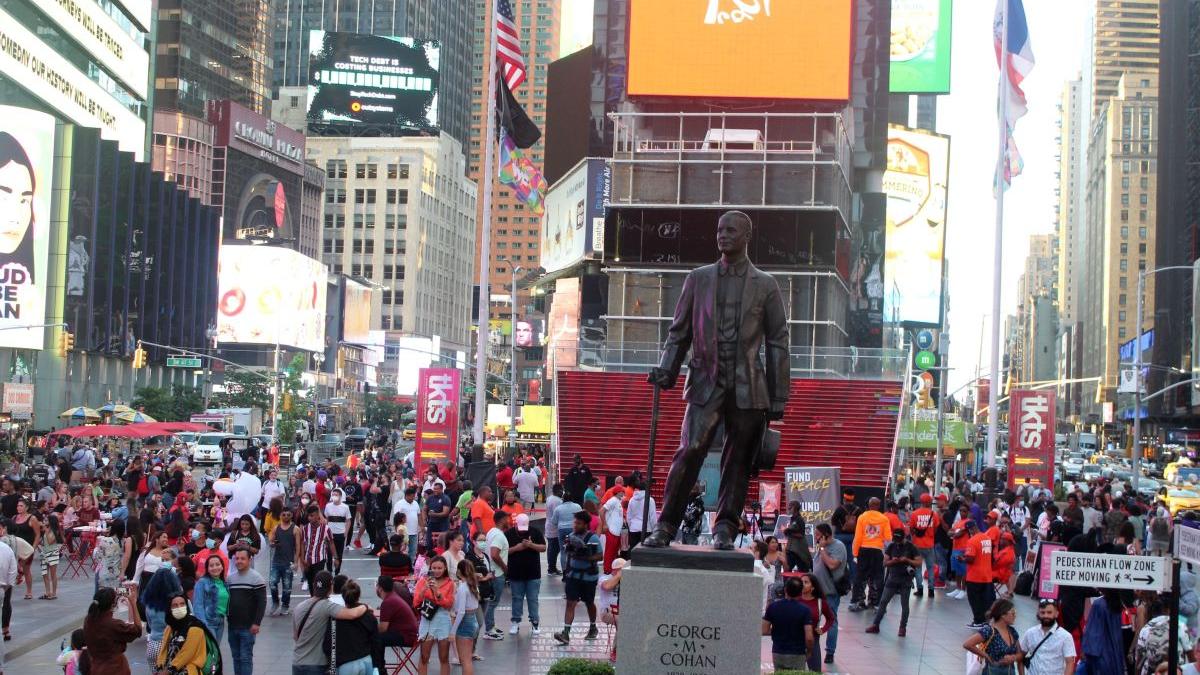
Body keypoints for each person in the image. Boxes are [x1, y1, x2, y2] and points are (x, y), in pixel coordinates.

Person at [642, 212, 790, 551]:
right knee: (690, 449)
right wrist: (668, 369)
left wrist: (779, 394)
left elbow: (778, 340)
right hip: (705, 380)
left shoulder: (766, 285)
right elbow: (679, 331)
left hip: (749, 385)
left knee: (738, 459)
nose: (723, 235)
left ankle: (725, 526)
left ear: (747, 236)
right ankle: (666, 524)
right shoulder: (699, 278)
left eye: (731, 230)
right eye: (720, 230)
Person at [291, 571, 371, 675]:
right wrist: (365, 607)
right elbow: (352, 614)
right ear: (331, 586)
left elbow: (295, 637)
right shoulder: (327, 606)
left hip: (297, 662)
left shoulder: (299, 607)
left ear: (314, 586)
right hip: (316, 664)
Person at [553, 511, 602, 646]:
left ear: (586, 524)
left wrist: (586, 556)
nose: (575, 525)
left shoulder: (593, 538)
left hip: (588, 577)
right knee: (570, 603)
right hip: (573, 576)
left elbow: (600, 556)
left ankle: (593, 627)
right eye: (575, 522)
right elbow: (567, 553)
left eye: (578, 523)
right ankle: (566, 633)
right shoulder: (571, 536)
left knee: (589, 602)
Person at [865, 529, 920, 637]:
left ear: (904, 537)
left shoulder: (911, 547)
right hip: (893, 578)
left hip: (906, 580)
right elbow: (885, 563)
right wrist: (893, 561)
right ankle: (876, 625)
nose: (897, 542)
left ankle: (902, 627)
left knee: (904, 605)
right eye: (896, 540)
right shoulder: (891, 546)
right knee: (883, 601)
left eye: (899, 540)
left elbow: (918, 562)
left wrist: (907, 560)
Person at [156, 592, 220, 675]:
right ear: (169, 608)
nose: (179, 608)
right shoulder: (170, 627)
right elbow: (163, 649)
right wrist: (159, 666)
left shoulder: (195, 627)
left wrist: (168, 670)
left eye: (182, 604)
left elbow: (186, 654)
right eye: (175, 605)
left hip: (188, 671)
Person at [83, 586, 143, 675]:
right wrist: (133, 603)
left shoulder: (88, 620)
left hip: (95, 667)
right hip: (115, 668)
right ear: (113, 605)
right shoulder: (113, 625)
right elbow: (138, 630)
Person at [225, 548, 266, 675]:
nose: (239, 561)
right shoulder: (230, 579)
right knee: (236, 658)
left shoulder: (257, 578)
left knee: (245, 658)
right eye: (237, 558)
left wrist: (257, 623)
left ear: (249, 560)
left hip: (248, 627)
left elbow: (262, 602)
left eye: (242, 558)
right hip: (232, 626)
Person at [412, 555, 455, 675]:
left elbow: (448, 605)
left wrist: (437, 591)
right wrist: (423, 590)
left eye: (439, 568)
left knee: (444, 657)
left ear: (445, 568)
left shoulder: (450, 583)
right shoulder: (423, 581)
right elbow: (415, 603)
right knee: (424, 657)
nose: (436, 571)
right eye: (434, 568)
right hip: (427, 619)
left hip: (443, 619)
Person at [761, 576, 814, 672]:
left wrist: (776, 631)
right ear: (801, 591)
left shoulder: (773, 607)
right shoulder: (805, 610)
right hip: (798, 653)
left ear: (785, 589)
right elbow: (809, 637)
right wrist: (809, 651)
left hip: (778, 651)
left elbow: (764, 630)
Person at [811, 523, 847, 665]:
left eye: (818, 534)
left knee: (831, 621)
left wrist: (823, 549)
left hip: (830, 591)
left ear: (826, 534)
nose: (816, 537)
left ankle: (830, 652)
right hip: (817, 591)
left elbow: (832, 565)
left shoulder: (838, 546)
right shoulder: (820, 546)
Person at [141, 549, 183, 667]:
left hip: (154, 645)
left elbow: (149, 624)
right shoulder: (179, 603)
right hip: (172, 645)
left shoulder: (149, 604)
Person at [506, 513, 546, 635]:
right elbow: (503, 551)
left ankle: (534, 622)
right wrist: (517, 548)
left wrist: (531, 545)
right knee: (516, 598)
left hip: (533, 572)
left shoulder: (535, 531)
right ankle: (515, 622)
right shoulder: (509, 534)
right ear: (515, 523)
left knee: (533, 599)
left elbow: (543, 548)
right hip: (515, 572)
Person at [849, 497, 891, 612]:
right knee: (878, 577)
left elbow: (857, 537)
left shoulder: (862, 517)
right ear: (879, 505)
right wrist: (888, 554)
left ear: (868, 504)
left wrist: (855, 553)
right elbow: (888, 538)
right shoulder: (884, 519)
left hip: (864, 549)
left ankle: (855, 601)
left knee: (859, 577)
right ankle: (877, 604)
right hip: (878, 551)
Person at [962, 599, 1024, 675]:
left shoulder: (1012, 631)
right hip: (992, 671)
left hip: (1009, 671)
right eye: (1013, 613)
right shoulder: (989, 631)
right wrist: (986, 656)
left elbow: (1020, 654)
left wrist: (1013, 658)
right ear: (1003, 615)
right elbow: (967, 644)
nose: (1015, 615)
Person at [373, 575, 417, 674]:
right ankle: (379, 667)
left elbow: (383, 628)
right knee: (378, 638)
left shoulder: (388, 602)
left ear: (380, 588)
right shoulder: (392, 597)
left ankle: (379, 669)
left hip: (407, 637)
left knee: (376, 638)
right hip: (409, 634)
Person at [1019, 599, 1077, 675]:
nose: (1046, 615)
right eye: (1042, 612)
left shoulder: (1065, 636)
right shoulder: (1030, 633)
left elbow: (1070, 663)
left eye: (1049, 612)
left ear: (1056, 614)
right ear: (1038, 613)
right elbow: (1020, 657)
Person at [333, 579, 378, 675]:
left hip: (346, 663)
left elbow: (329, 644)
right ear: (358, 596)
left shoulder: (337, 617)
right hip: (366, 660)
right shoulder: (369, 616)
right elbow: (375, 642)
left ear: (343, 597)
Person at [795, 572, 836, 671]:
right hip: (795, 640)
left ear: (813, 587)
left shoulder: (820, 602)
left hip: (813, 641)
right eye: (801, 582)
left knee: (815, 670)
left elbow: (831, 618)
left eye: (806, 582)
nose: (802, 584)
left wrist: (823, 629)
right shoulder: (795, 599)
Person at [962, 519, 996, 628]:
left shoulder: (972, 541)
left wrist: (962, 559)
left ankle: (978, 621)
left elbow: (970, 558)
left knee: (975, 600)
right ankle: (986, 621)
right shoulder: (987, 538)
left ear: (971, 529)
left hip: (974, 576)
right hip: (986, 575)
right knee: (985, 600)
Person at [450, 560, 481, 675]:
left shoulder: (463, 588)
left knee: (465, 660)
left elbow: (461, 611)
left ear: (459, 571)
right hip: (473, 621)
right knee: (467, 659)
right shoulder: (473, 585)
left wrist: (453, 631)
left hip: (465, 624)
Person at [908, 493, 941, 598]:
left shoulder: (914, 514)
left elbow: (911, 529)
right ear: (929, 502)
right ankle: (931, 590)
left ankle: (920, 589)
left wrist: (915, 537)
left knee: (918, 567)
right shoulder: (934, 514)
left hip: (917, 544)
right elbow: (936, 529)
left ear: (921, 502)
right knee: (930, 567)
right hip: (929, 544)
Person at [191, 555, 229, 641]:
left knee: (215, 652)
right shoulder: (202, 582)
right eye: (211, 566)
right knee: (211, 652)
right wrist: (204, 625)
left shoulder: (224, 583)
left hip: (221, 621)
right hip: (208, 622)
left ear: (222, 566)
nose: (215, 567)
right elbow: (197, 605)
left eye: (217, 564)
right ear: (207, 569)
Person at [268, 505, 297, 616]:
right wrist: (273, 543)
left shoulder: (295, 529)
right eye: (283, 515)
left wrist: (296, 562)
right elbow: (270, 541)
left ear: (291, 516)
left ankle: (285, 605)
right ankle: (275, 602)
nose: (285, 517)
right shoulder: (276, 528)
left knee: (287, 586)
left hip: (288, 562)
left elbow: (298, 546)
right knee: (272, 583)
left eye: (288, 515)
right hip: (276, 561)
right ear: (280, 516)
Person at [391, 487, 422, 562]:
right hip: (403, 533)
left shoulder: (415, 503)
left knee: (413, 551)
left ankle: (410, 567)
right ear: (406, 495)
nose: (413, 498)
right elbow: (396, 518)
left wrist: (421, 527)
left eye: (414, 496)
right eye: (412, 496)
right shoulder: (399, 504)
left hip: (414, 532)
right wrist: (397, 531)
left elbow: (419, 515)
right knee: (402, 551)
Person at [39, 511, 62, 599]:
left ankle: (54, 593)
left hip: (53, 553)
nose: (45, 521)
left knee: (53, 574)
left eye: (46, 520)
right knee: (44, 573)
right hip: (45, 553)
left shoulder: (55, 531)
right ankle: (48, 592)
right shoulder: (47, 529)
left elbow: (50, 541)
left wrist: (46, 530)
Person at [543, 484, 563, 575]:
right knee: (554, 549)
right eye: (561, 490)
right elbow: (557, 515)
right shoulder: (557, 501)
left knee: (552, 548)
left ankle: (552, 567)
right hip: (554, 528)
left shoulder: (550, 498)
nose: (562, 492)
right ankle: (551, 568)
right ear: (558, 491)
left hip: (549, 526)